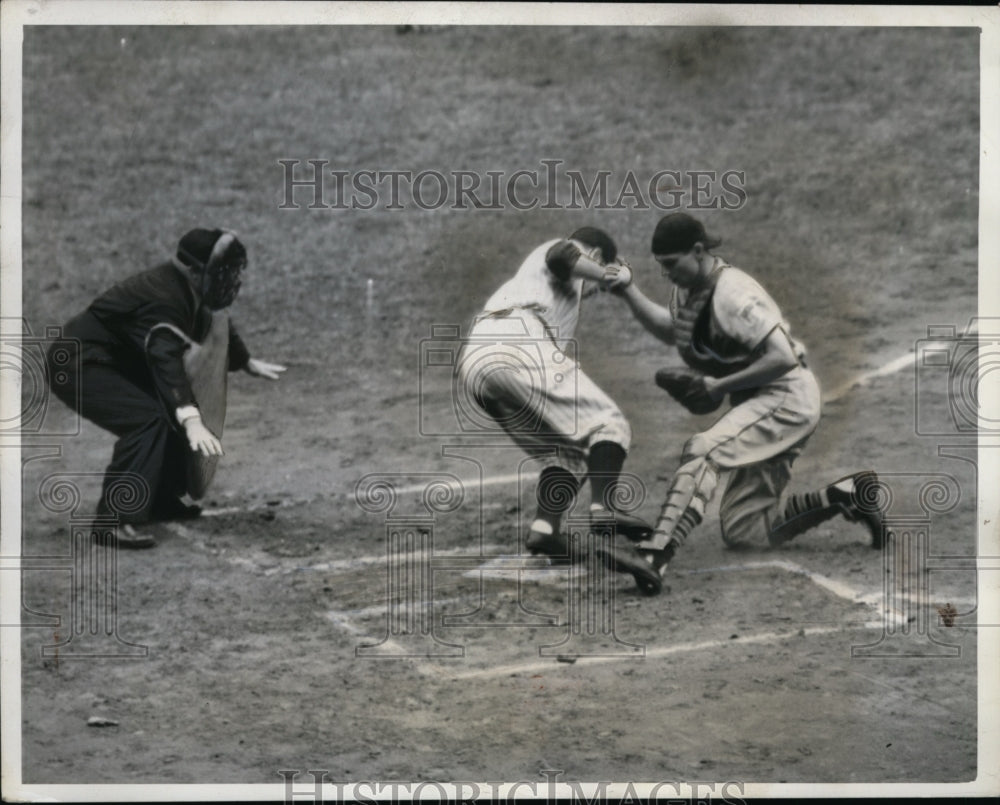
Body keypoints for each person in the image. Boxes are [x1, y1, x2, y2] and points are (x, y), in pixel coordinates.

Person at [599, 213, 884, 594]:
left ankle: (655, 555)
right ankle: (843, 496)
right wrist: (629, 292)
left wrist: (718, 386)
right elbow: (673, 330)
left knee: (703, 450)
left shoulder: (732, 294)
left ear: (698, 251)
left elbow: (781, 356)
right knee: (745, 532)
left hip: (786, 397)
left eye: (671, 264)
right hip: (761, 399)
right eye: (661, 266)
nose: (667, 274)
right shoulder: (691, 286)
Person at [46, 228, 286, 548]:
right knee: (147, 420)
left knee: (169, 408)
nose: (230, 281)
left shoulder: (189, 288)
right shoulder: (165, 299)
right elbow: (165, 363)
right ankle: (112, 521)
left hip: (112, 359)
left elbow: (216, 318)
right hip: (78, 365)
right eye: (222, 273)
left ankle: (159, 499)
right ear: (193, 270)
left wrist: (244, 360)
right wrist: (191, 419)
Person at [456, 227, 660, 591]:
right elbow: (562, 256)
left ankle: (545, 531)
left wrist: (613, 281)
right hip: (517, 343)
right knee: (608, 425)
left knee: (567, 455)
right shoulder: (561, 251)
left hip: (478, 366)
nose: (596, 291)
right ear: (595, 253)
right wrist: (609, 273)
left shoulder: (543, 288)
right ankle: (603, 513)